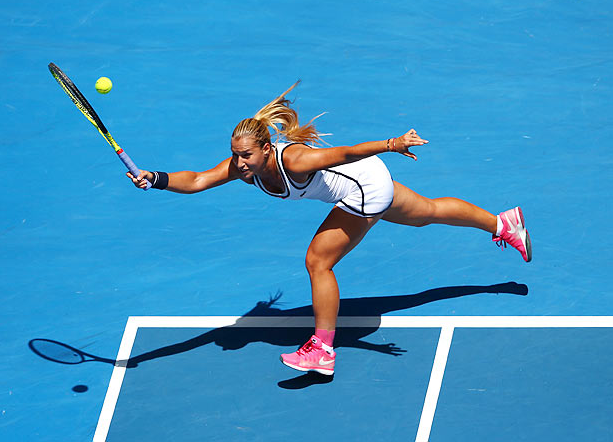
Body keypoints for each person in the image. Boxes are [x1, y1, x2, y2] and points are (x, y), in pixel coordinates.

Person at [127, 82, 532, 376]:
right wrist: (155, 177)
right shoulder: (244, 166)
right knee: (426, 211)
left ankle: (322, 349)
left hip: (364, 184)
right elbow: (197, 180)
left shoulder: (296, 160)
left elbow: (344, 152)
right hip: (365, 178)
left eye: (246, 155)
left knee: (318, 261)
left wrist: (392, 143)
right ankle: (504, 223)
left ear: (267, 149)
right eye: (236, 155)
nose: (240, 163)